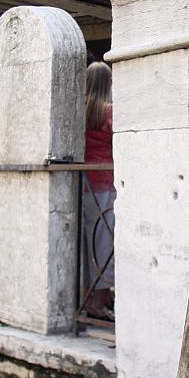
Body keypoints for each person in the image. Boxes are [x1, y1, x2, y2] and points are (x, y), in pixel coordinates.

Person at [81, 62, 115, 318]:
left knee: (87, 241)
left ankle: (90, 295)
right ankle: (99, 299)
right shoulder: (109, 111)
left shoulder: (80, 111)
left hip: (83, 182)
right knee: (104, 242)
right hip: (105, 181)